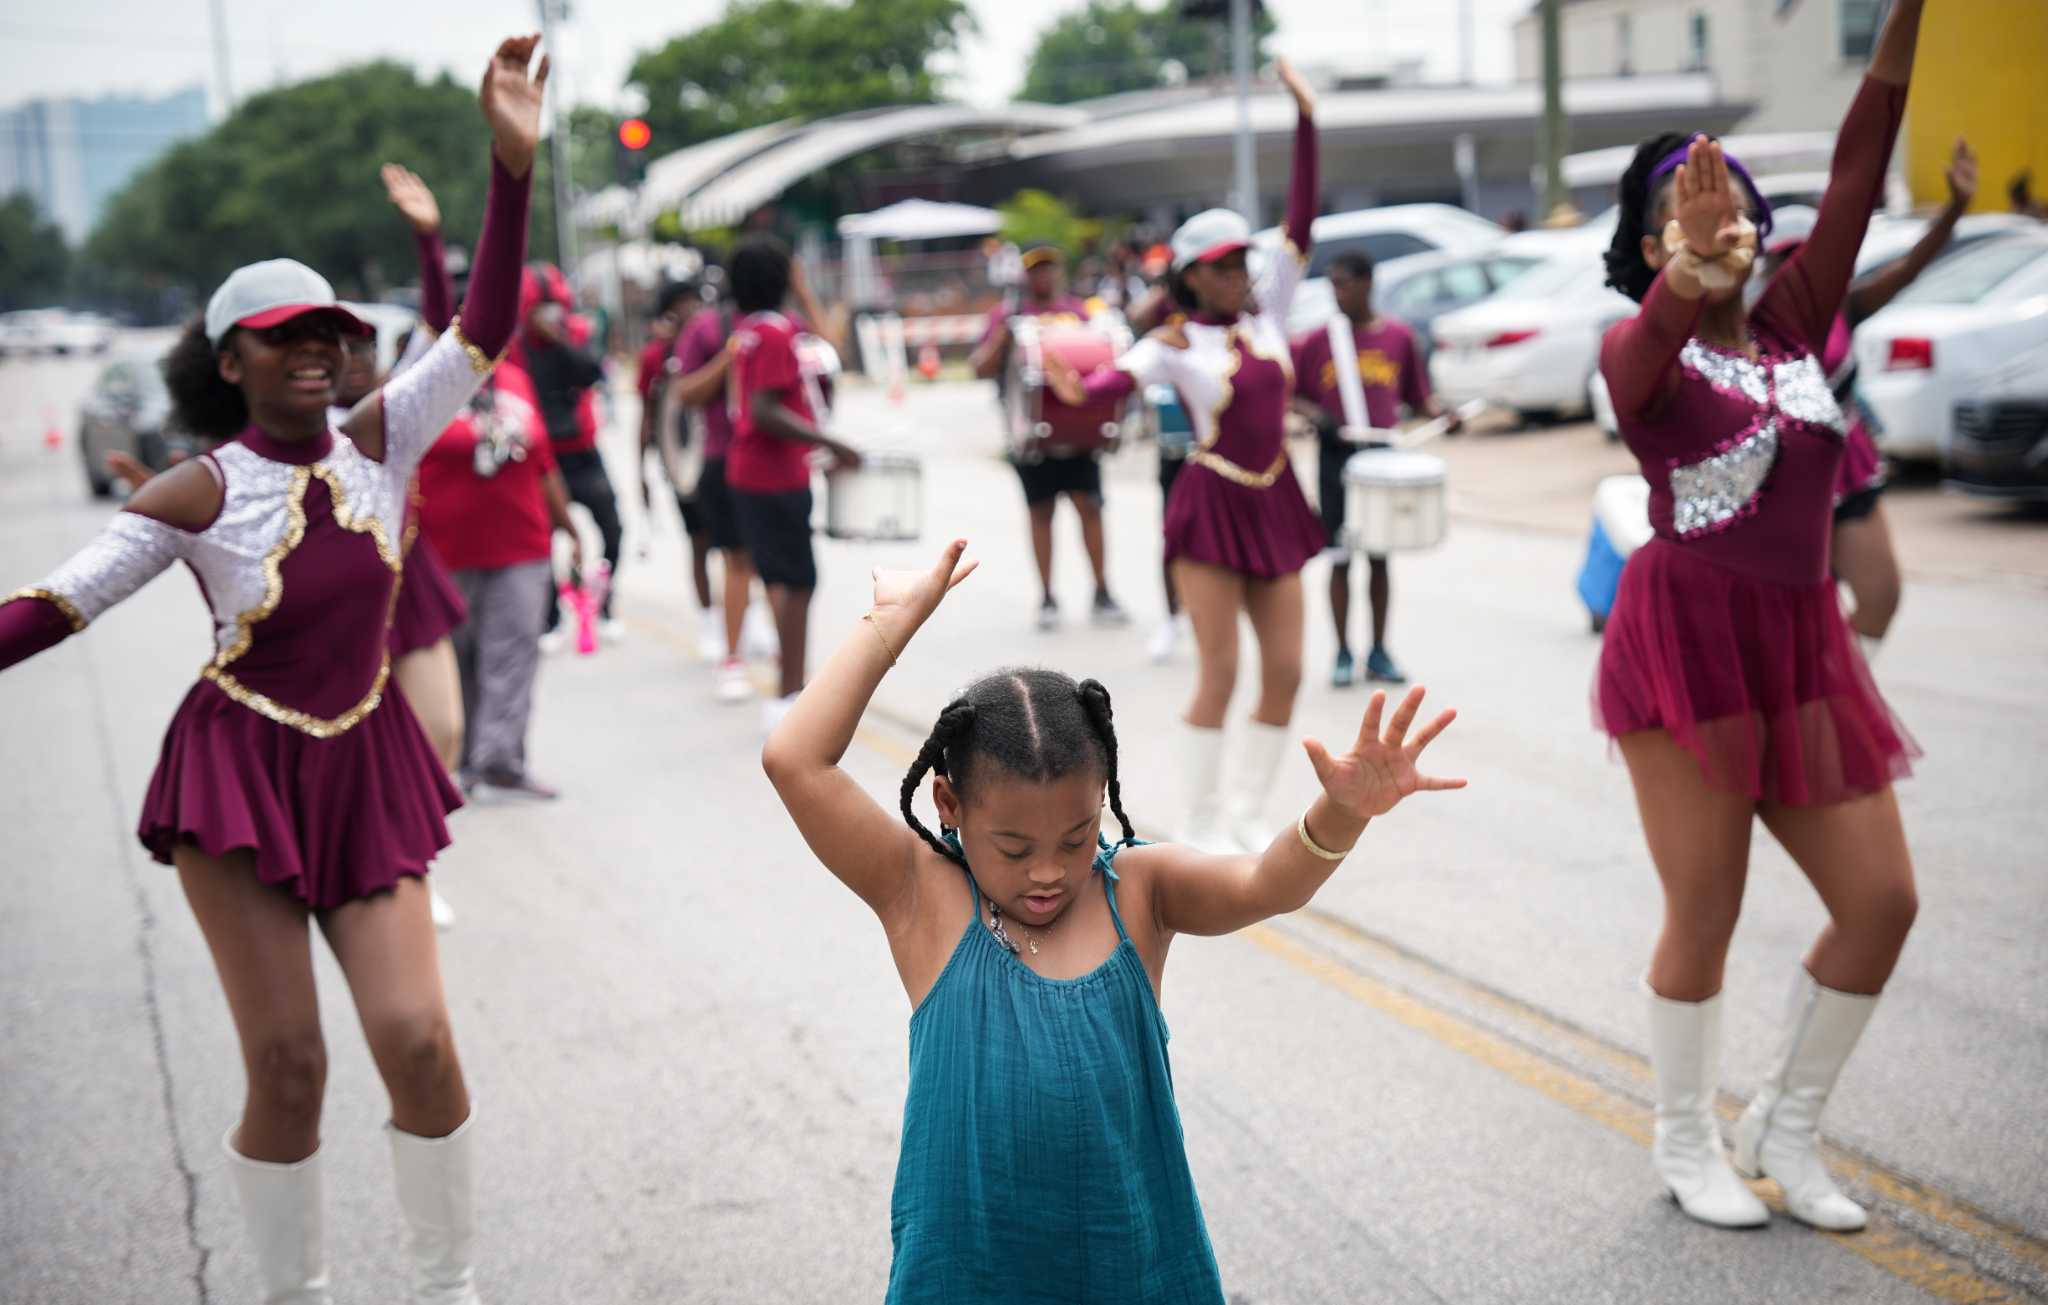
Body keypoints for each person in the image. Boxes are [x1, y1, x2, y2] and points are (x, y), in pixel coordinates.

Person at [0, 34, 544, 1301]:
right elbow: (57, 607)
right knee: (289, 1065)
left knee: (415, 1038)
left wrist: (508, 171)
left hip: (363, 763)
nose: (317, 350)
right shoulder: (199, 489)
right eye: (284, 335)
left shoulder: (384, 437)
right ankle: (289, 1291)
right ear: (230, 356)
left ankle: (444, 1278)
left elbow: (487, 325)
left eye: (332, 333)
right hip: (236, 782)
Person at [760, 539, 1463, 1303]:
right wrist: (894, 621)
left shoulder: (1138, 890)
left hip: (1132, 1273)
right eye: (1014, 846)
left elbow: (1266, 882)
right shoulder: (922, 896)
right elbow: (795, 758)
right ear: (949, 806)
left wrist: (1341, 812)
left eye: (1075, 835)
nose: (1049, 870)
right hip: (970, 1279)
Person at [1595, 0, 1926, 1234]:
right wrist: (1684, 269)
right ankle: (1683, 1142)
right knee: (1707, 908)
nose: (1717, 212)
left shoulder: (1794, 328)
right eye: (1685, 206)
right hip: (1685, 646)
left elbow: (1857, 159)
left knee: (1882, 900)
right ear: (1648, 248)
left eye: (1729, 197)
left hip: (1800, 646)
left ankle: (1784, 1123)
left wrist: (1903, 16)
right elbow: (1640, 364)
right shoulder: (1642, 358)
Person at [1047, 57, 1324, 853]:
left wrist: (1306, 122)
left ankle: (1246, 808)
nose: (1241, 273)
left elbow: (1300, 222)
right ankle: (1200, 821)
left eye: (1244, 261)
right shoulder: (1171, 343)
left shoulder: (1268, 313)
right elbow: (1113, 379)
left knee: (1288, 670)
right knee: (1221, 670)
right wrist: (1075, 386)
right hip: (1211, 502)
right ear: (1192, 278)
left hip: (1275, 496)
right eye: (1224, 265)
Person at [1760, 137, 1978, 659]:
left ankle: (1839, 696)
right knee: (1794, 627)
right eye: (1781, 265)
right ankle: (1803, 704)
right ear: (1764, 272)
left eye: (1804, 263)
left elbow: (1907, 270)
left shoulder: (1844, 307)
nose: (1795, 277)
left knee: (1881, 597)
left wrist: (1953, 212)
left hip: (1847, 471)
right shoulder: (1749, 332)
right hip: (1780, 492)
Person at [1290, 250, 1461, 688]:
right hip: (1336, 458)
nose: (1336, 293)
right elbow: (1287, 391)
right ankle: (1343, 652)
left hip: (1383, 456)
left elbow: (1420, 397)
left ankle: (1379, 651)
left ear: (1368, 283)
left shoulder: (1398, 337)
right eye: (1332, 284)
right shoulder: (1316, 341)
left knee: (1381, 557)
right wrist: (1313, 413)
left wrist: (1445, 413)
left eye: (1343, 283)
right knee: (1340, 558)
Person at [724, 235, 863, 733]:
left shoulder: (750, 331)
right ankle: (788, 694)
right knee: (801, 582)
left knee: (782, 580)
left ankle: (786, 685)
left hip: (751, 474)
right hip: (774, 474)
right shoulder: (778, 334)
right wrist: (830, 440)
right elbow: (765, 410)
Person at [970, 244, 1129, 630]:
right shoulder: (1007, 317)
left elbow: (1103, 360)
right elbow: (979, 368)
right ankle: (1047, 596)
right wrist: (1004, 337)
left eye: (1049, 268)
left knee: (1089, 507)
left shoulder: (1080, 313)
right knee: (1041, 513)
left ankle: (1102, 590)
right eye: (1035, 270)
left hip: (1079, 428)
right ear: (1024, 276)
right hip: (1030, 434)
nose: (1043, 276)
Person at [523, 267, 625, 642]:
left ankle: (605, 602)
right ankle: (551, 616)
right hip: (544, 459)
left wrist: (561, 338)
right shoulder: (519, 347)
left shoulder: (576, 333)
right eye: (540, 306)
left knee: (612, 528)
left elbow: (592, 373)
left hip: (582, 451)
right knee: (542, 538)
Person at [635, 280, 721, 636]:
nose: (692, 310)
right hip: (682, 463)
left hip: (717, 458)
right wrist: (639, 470)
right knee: (699, 540)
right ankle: (708, 620)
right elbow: (648, 416)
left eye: (695, 301)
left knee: (737, 546)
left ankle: (744, 621)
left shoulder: (718, 343)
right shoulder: (656, 356)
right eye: (683, 303)